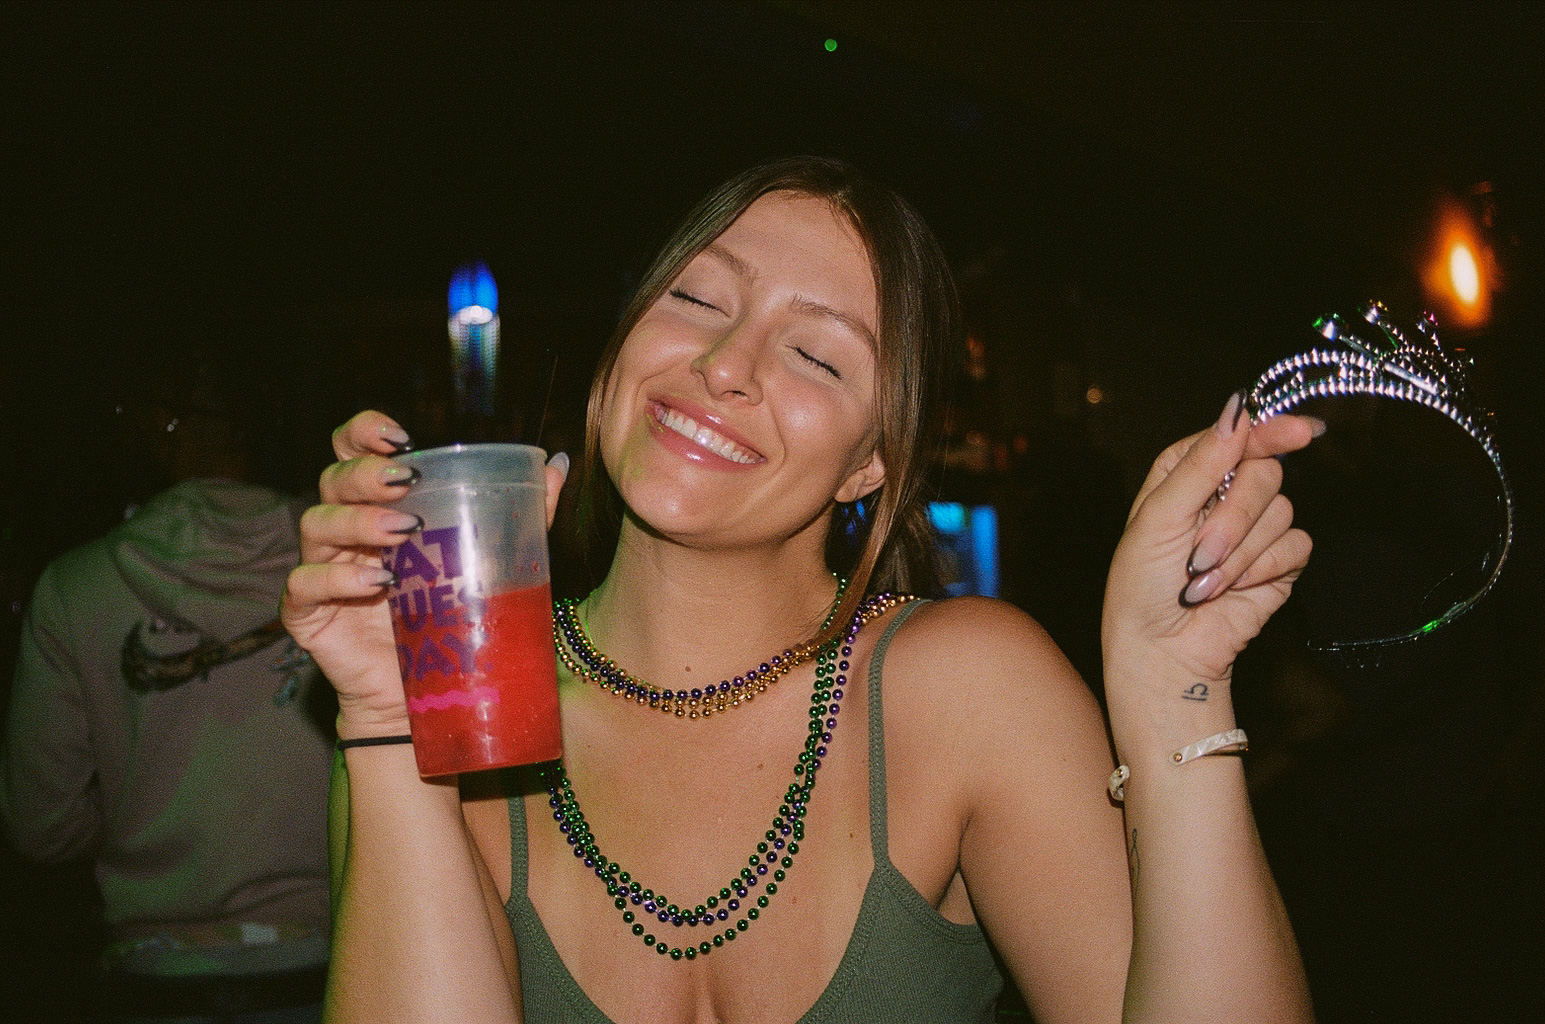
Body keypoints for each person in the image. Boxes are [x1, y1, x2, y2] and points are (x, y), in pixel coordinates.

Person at [283, 157, 1319, 1023]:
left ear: (874, 463)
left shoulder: (967, 691)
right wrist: (382, 717)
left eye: (817, 355)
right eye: (695, 299)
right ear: (613, 365)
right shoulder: (452, 700)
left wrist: (1172, 688)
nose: (727, 365)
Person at [3, 367, 335, 1022]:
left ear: (161, 425)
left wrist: (146, 804)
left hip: (157, 980)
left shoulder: (73, 587)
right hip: (337, 970)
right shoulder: (345, 565)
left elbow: (41, 825)